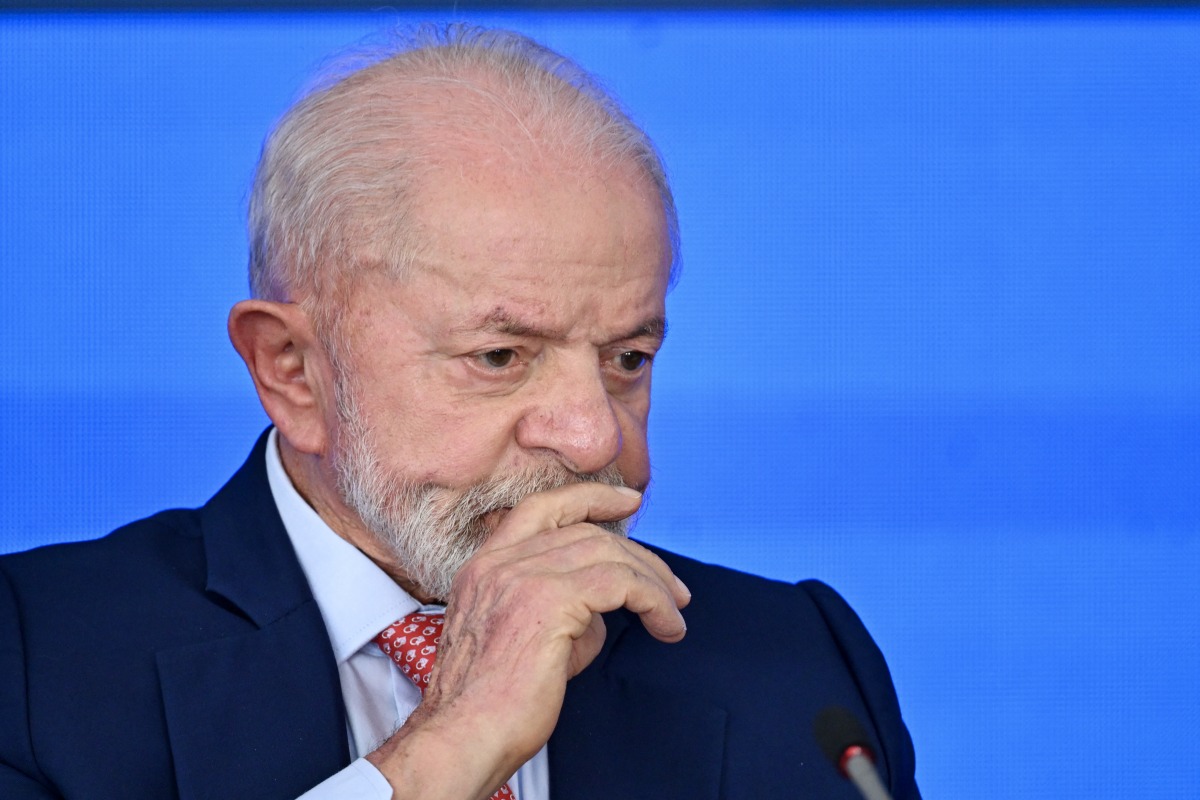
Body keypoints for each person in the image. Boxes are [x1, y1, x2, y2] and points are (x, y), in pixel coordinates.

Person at [0, 23, 919, 800]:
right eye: (499, 357)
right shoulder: (32, 662)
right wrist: (449, 744)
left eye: (629, 358)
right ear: (294, 372)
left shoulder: (798, 670)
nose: (594, 435)